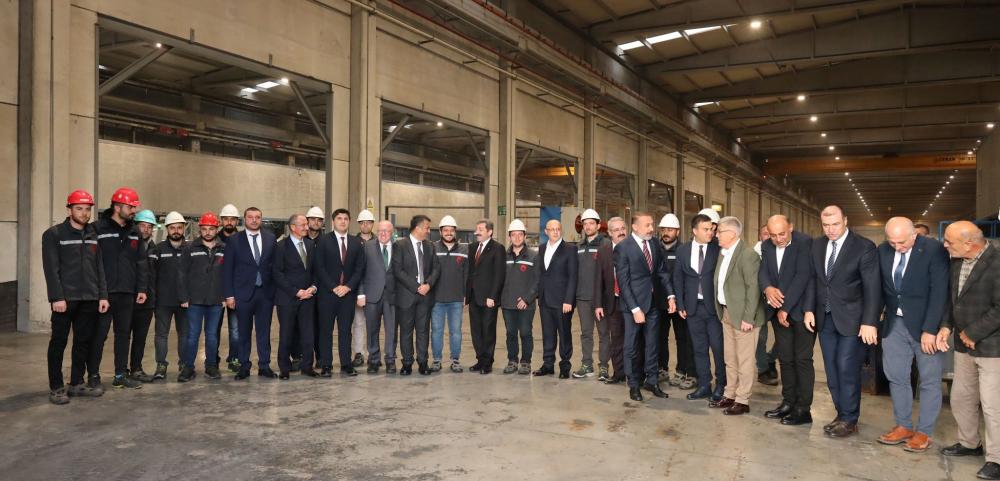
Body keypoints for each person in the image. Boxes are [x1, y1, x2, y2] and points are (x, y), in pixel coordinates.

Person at [875, 217, 949, 452]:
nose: (897, 247)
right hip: (894, 324)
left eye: (902, 242)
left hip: (925, 326)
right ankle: (904, 426)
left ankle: (924, 432)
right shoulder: (883, 250)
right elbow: (879, 288)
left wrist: (930, 329)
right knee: (897, 377)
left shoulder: (934, 250)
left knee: (929, 380)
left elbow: (940, 291)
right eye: (892, 242)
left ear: (914, 235)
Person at [808, 205, 881, 438]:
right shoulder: (817, 245)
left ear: (845, 221)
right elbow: (814, 280)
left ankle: (850, 418)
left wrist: (869, 322)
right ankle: (841, 414)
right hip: (825, 317)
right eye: (826, 225)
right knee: (831, 370)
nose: (830, 229)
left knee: (846, 367)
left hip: (853, 319)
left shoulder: (864, 247)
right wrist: (809, 310)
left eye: (835, 224)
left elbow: (872, 287)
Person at [937, 221, 1000, 480]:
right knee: (962, 397)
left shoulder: (997, 262)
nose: (945, 245)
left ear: (969, 243)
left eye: (949, 241)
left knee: (993, 405)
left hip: (992, 347)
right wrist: (946, 326)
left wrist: (973, 332)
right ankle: (970, 443)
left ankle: (997, 459)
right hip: (964, 346)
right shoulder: (957, 261)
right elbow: (953, 300)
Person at [42, 190, 109, 404]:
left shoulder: (93, 235)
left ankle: (77, 383)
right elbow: (51, 269)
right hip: (65, 299)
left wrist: (102, 295)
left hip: (89, 298)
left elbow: (99, 267)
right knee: (58, 342)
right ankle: (56, 387)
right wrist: (56, 297)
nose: (84, 213)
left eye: (87, 209)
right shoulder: (54, 234)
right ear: (69, 209)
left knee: (83, 341)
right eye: (79, 208)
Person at [759, 215, 816, 426]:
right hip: (778, 311)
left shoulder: (805, 242)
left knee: (802, 360)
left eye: (782, 234)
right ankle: (788, 402)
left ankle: (803, 408)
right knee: (785, 359)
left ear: (790, 227)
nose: (778, 239)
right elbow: (763, 271)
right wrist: (767, 287)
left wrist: (785, 308)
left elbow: (802, 277)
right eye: (773, 235)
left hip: (800, 311)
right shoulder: (767, 245)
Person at [90, 187, 149, 391]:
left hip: (127, 292)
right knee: (99, 335)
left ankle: (120, 375)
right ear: (117, 207)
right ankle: (93, 375)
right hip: (104, 294)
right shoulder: (97, 228)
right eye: (130, 207)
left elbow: (141, 261)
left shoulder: (134, 231)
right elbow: (91, 261)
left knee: (123, 335)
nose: (134, 211)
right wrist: (98, 291)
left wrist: (141, 288)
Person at [615, 212, 675, 401]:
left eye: (652, 224)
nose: (651, 228)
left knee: (652, 345)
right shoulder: (623, 247)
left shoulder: (655, 244)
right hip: (633, 307)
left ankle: (652, 381)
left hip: (653, 304)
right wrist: (635, 309)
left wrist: (671, 295)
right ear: (635, 227)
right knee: (631, 347)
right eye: (647, 225)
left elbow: (662, 271)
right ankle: (633, 385)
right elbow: (623, 282)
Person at [711, 216, 766, 415]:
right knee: (730, 358)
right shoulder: (724, 253)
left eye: (720, 232)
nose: (716, 235)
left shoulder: (748, 255)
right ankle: (730, 394)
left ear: (732, 234)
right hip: (727, 312)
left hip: (744, 317)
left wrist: (748, 318)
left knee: (744, 360)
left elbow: (753, 288)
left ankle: (742, 399)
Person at [674, 214, 726, 403]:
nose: (710, 232)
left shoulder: (718, 249)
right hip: (692, 308)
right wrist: (680, 304)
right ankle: (704, 384)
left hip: (713, 308)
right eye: (706, 229)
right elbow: (678, 278)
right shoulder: (683, 250)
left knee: (718, 348)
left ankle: (721, 385)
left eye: (711, 229)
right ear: (695, 231)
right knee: (699, 348)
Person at [223, 207, 278, 380]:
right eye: (250, 217)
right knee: (243, 332)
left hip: (265, 294)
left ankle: (264, 366)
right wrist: (229, 295)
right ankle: (244, 366)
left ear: (261, 219)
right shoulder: (234, 240)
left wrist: (275, 292)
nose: (254, 220)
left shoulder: (270, 238)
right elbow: (227, 269)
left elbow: (275, 267)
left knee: (264, 332)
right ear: (244, 219)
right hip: (243, 294)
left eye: (257, 217)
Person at [315, 208, 366, 377]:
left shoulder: (356, 243)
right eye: (339, 218)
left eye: (345, 218)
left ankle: (346, 364)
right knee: (326, 331)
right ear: (333, 221)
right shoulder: (323, 241)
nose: (343, 221)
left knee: (345, 331)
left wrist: (348, 286)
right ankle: (326, 365)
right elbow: (319, 267)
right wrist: (333, 287)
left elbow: (359, 268)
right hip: (327, 294)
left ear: (349, 221)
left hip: (347, 295)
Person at [178, 212, 227, 382]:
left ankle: (211, 366)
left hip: (216, 301)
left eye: (211, 229)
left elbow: (228, 274)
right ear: (200, 230)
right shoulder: (190, 248)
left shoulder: (224, 249)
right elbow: (182, 274)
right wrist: (184, 297)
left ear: (216, 229)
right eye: (204, 229)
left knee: (212, 336)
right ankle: (188, 367)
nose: (208, 232)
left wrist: (225, 296)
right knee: (192, 335)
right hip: (194, 301)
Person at [273, 214, 319, 379]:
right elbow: (277, 274)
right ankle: (284, 369)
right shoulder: (281, 247)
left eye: (306, 224)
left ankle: (307, 366)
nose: (307, 227)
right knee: (286, 334)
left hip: (308, 298)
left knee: (308, 335)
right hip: (287, 298)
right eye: (303, 225)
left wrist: (313, 287)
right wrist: (296, 291)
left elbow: (315, 270)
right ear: (293, 227)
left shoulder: (310, 244)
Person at [392, 215, 439, 375]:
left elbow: (436, 268)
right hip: (407, 296)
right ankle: (407, 363)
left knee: (423, 331)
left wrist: (428, 285)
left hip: (425, 296)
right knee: (406, 331)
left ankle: (423, 362)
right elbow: (398, 270)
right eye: (427, 227)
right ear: (417, 228)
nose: (428, 231)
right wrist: (417, 287)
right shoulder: (400, 245)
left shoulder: (430, 246)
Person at [534, 219, 577, 379]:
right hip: (545, 299)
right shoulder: (542, 248)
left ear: (561, 230)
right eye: (552, 229)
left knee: (564, 334)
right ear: (546, 232)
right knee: (547, 333)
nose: (555, 232)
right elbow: (541, 273)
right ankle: (548, 364)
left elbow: (573, 276)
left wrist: (569, 300)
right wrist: (539, 296)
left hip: (562, 301)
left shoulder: (570, 249)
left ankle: (565, 366)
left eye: (558, 229)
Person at [657, 213, 695, 390]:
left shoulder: (684, 250)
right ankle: (662, 368)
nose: (666, 232)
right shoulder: (655, 248)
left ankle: (681, 370)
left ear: (678, 232)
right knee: (660, 337)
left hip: (680, 303)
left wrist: (681, 301)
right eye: (664, 229)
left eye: (670, 229)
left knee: (682, 338)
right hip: (660, 302)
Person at [151, 211, 189, 381]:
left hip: (184, 302)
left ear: (183, 228)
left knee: (185, 334)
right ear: (167, 229)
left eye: (179, 227)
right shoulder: (158, 249)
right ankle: (161, 365)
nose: (176, 231)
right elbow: (152, 274)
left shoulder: (190, 249)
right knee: (161, 335)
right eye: (172, 228)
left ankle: (184, 364)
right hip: (163, 301)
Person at [574, 209, 611, 380]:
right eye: (585, 224)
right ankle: (586, 364)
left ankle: (603, 367)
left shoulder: (606, 244)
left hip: (600, 299)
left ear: (598, 225)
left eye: (591, 223)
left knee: (603, 333)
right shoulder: (579, 247)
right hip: (582, 297)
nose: (588, 226)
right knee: (586, 333)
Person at [467, 219, 506, 374]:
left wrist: (493, 296)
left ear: (490, 232)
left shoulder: (498, 248)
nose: (477, 232)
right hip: (473, 297)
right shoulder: (472, 247)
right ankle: (480, 360)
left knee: (488, 331)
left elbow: (499, 274)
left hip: (489, 299)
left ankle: (488, 363)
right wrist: (466, 294)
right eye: (476, 229)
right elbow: (470, 273)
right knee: (476, 331)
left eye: (480, 229)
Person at [358, 220, 397, 374]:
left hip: (392, 296)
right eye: (380, 230)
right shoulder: (367, 247)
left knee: (391, 330)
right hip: (372, 295)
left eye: (386, 231)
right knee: (372, 329)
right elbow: (360, 272)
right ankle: (373, 360)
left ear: (392, 233)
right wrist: (361, 293)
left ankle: (390, 360)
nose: (382, 233)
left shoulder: (399, 248)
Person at [431, 215, 468, 373]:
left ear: (455, 232)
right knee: (436, 331)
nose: (448, 233)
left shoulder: (464, 250)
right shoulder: (432, 248)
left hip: (456, 300)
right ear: (440, 232)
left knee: (456, 332)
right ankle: (436, 360)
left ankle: (455, 360)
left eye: (451, 230)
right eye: (445, 230)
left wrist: (465, 295)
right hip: (436, 299)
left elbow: (466, 274)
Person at [501, 219, 538, 375]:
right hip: (507, 303)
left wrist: (527, 299)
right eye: (513, 234)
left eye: (520, 234)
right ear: (509, 236)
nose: (516, 237)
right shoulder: (503, 256)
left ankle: (525, 362)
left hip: (526, 305)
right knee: (510, 333)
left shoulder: (533, 256)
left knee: (525, 333)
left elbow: (537, 281)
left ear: (524, 236)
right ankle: (512, 360)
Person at [594, 217, 628, 384]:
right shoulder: (604, 251)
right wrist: (598, 304)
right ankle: (619, 373)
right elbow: (598, 279)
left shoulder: (635, 248)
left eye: (623, 228)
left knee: (634, 339)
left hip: (632, 303)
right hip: (613, 301)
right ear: (609, 233)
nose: (620, 232)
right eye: (616, 230)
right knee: (616, 339)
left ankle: (636, 374)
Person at [126, 209, 158, 383]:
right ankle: (121, 370)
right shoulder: (128, 246)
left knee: (140, 337)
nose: (146, 229)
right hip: (128, 299)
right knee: (124, 336)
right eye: (142, 226)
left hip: (148, 301)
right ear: (135, 226)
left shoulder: (155, 249)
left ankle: (136, 369)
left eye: (149, 226)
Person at [754, 223, 779, 386]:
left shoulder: (783, 252)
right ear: (760, 236)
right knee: (760, 338)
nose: (768, 237)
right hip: (760, 302)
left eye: (771, 234)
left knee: (783, 339)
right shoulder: (753, 254)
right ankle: (763, 370)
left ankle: (770, 359)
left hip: (779, 300)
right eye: (765, 233)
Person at [217, 203, 241, 372]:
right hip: (216, 292)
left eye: (232, 219)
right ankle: (213, 359)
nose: (229, 222)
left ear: (237, 221)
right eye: (226, 219)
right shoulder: (214, 240)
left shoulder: (242, 240)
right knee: (214, 329)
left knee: (235, 329)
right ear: (221, 221)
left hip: (236, 292)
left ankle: (234, 358)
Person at [351, 209, 376, 367]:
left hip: (375, 289)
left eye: (368, 222)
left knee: (373, 324)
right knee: (358, 323)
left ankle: (373, 354)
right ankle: (359, 353)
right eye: (362, 223)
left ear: (373, 224)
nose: (365, 225)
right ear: (359, 224)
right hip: (357, 289)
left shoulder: (379, 241)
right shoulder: (352, 242)